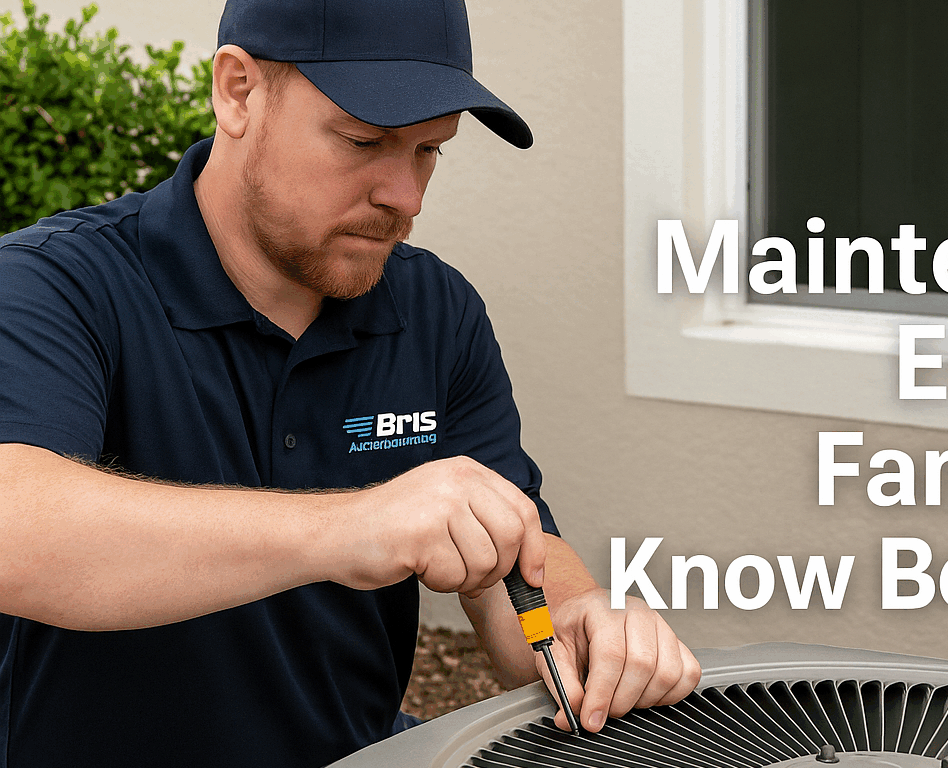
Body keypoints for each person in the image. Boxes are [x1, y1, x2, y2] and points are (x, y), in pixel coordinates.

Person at [0, 0, 699, 765]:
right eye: (365, 141)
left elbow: (514, 547)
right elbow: (18, 534)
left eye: (431, 152)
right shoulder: (54, 285)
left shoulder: (438, 310)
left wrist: (582, 619)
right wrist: (350, 528)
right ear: (238, 91)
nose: (407, 197)